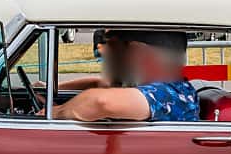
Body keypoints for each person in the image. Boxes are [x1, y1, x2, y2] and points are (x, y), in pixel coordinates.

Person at [52, 30, 198, 122]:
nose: (107, 56)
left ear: (137, 53)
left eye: (115, 49)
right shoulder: (174, 89)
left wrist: (55, 112)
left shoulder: (170, 94)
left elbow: (101, 102)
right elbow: (98, 84)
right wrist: (49, 88)